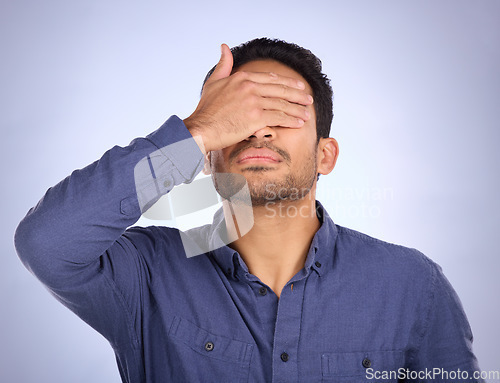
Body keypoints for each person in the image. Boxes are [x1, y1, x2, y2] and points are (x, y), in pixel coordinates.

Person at [15, 38, 483, 383]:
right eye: (241, 117)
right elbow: (47, 242)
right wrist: (195, 130)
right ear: (207, 155)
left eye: (282, 114)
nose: (260, 132)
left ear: (326, 155)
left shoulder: (413, 285)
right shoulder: (147, 275)